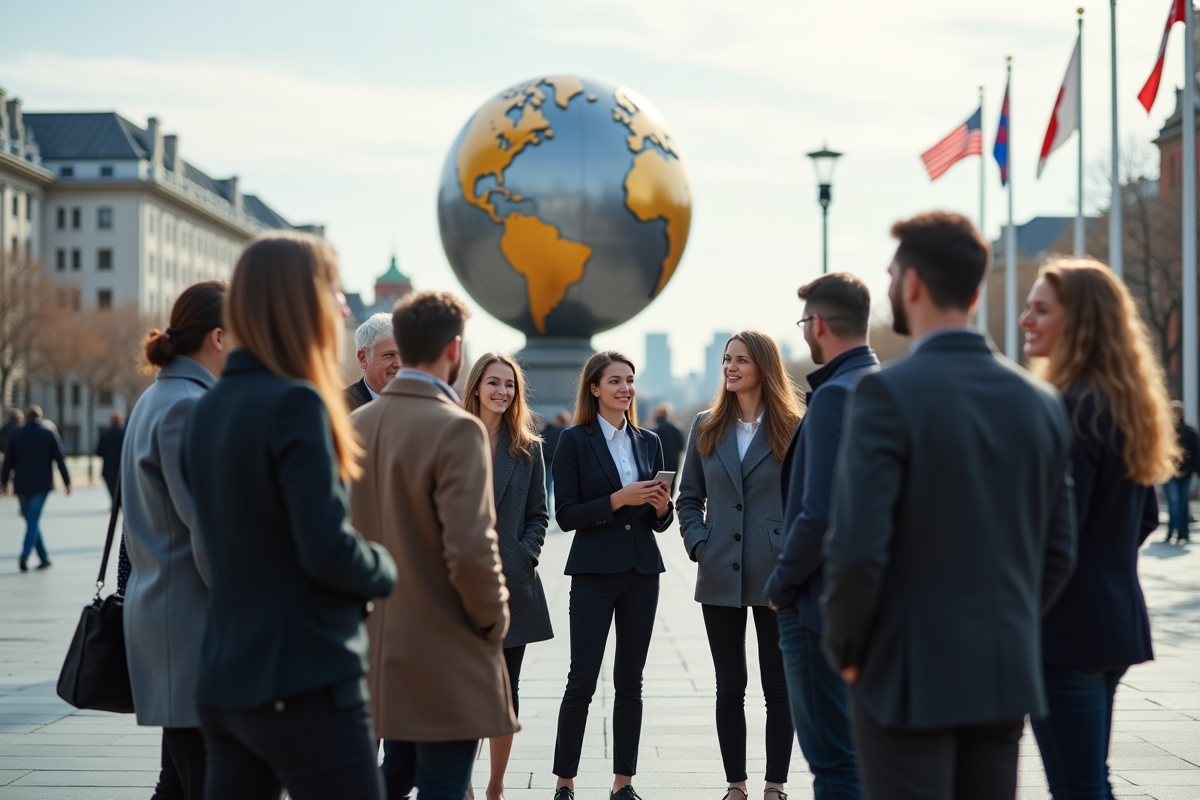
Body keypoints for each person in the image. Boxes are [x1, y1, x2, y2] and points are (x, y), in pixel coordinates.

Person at [823, 211, 1077, 800]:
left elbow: (858, 548)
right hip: (1001, 670)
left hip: (905, 672)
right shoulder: (1040, 402)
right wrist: (1004, 625)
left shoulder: (886, 393)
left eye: (891, 276)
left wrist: (849, 652)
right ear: (977, 290)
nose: (888, 289)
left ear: (911, 284)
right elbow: (1059, 551)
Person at [182, 232, 398, 800]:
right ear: (299, 300)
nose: (345, 305)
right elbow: (326, 549)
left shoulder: (208, 406)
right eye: (333, 289)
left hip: (226, 678)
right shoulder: (297, 402)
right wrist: (387, 568)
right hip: (304, 677)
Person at [1020, 259, 1177, 799]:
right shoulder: (1122, 405)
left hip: (1064, 631)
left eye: (1041, 309)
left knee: (1078, 786)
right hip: (1111, 619)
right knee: (1085, 781)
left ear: (1080, 320)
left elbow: (1053, 533)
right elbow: (1147, 518)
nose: (1025, 320)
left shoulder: (1068, 409)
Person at [349, 292, 516, 800]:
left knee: (394, 776)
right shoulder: (457, 429)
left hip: (378, 641)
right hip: (444, 643)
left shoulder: (356, 424)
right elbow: (470, 550)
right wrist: (494, 618)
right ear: (454, 348)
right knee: (443, 785)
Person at [764, 273, 878, 800]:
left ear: (818, 325)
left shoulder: (833, 396)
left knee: (833, 768)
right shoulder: (881, 385)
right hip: (869, 603)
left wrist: (781, 587)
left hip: (816, 608)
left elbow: (817, 513)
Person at [677, 331, 803, 800]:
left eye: (740, 360)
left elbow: (810, 501)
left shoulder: (794, 425)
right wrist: (699, 543)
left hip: (778, 573)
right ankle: (736, 785)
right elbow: (688, 498)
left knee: (779, 687)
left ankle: (775, 785)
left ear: (763, 368)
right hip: (720, 570)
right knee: (730, 684)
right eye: (727, 359)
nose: (730, 367)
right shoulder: (706, 425)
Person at [551, 351, 673, 800]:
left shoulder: (649, 441)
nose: (625, 388)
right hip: (593, 574)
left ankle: (624, 783)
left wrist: (662, 508)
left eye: (630, 381)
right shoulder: (572, 441)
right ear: (595, 388)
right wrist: (617, 500)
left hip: (643, 571)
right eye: (615, 381)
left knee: (631, 680)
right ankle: (565, 782)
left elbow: (660, 521)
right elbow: (565, 515)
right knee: (581, 678)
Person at [121, 281, 227, 800]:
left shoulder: (160, 396)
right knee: (204, 781)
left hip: (169, 617)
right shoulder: (189, 404)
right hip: (191, 623)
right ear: (220, 337)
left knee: (178, 782)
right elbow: (209, 529)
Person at [460, 352, 554, 800]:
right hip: (457, 584)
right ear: (476, 386)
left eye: (510, 385)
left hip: (512, 582)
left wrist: (524, 553)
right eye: (494, 383)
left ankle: (496, 787)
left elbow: (539, 514)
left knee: (505, 692)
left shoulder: (528, 448)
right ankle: (466, 782)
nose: (502, 392)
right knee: (463, 690)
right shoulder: (451, 437)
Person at [1, 405, 70, 572]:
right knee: (33, 518)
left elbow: (8, 460)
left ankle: (28, 554)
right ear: (40, 416)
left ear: (26, 416)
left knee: (31, 517)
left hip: (22, 484)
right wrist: (67, 482)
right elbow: (60, 459)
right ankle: (38, 556)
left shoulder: (16, 435)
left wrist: (3, 483)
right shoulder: (48, 433)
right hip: (42, 484)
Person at [345, 311, 402, 411]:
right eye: (389, 355)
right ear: (363, 358)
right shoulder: (339, 408)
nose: (399, 364)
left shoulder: (422, 405)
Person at [1163, 401, 1198, 544]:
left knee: (1182, 502)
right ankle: (1172, 531)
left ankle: (1183, 533)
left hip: (1185, 473)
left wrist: (1194, 470)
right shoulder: (1164, 433)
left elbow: (1196, 453)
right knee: (1173, 502)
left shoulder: (1190, 432)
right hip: (1169, 473)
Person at [540, 410, 569, 515]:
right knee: (560, 488)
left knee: (548, 488)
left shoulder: (550, 431)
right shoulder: (567, 431)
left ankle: (549, 512)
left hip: (549, 462)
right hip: (561, 464)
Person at [652, 402, 685, 493]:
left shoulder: (654, 431)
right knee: (671, 485)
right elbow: (681, 446)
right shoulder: (677, 429)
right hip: (673, 462)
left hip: (658, 462)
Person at [95, 411, 126, 505]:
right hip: (123, 468)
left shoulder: (104, 434)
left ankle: (114, 504)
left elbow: (98, 452)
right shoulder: (126, 433)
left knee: (112, 491)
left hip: (109, 469)